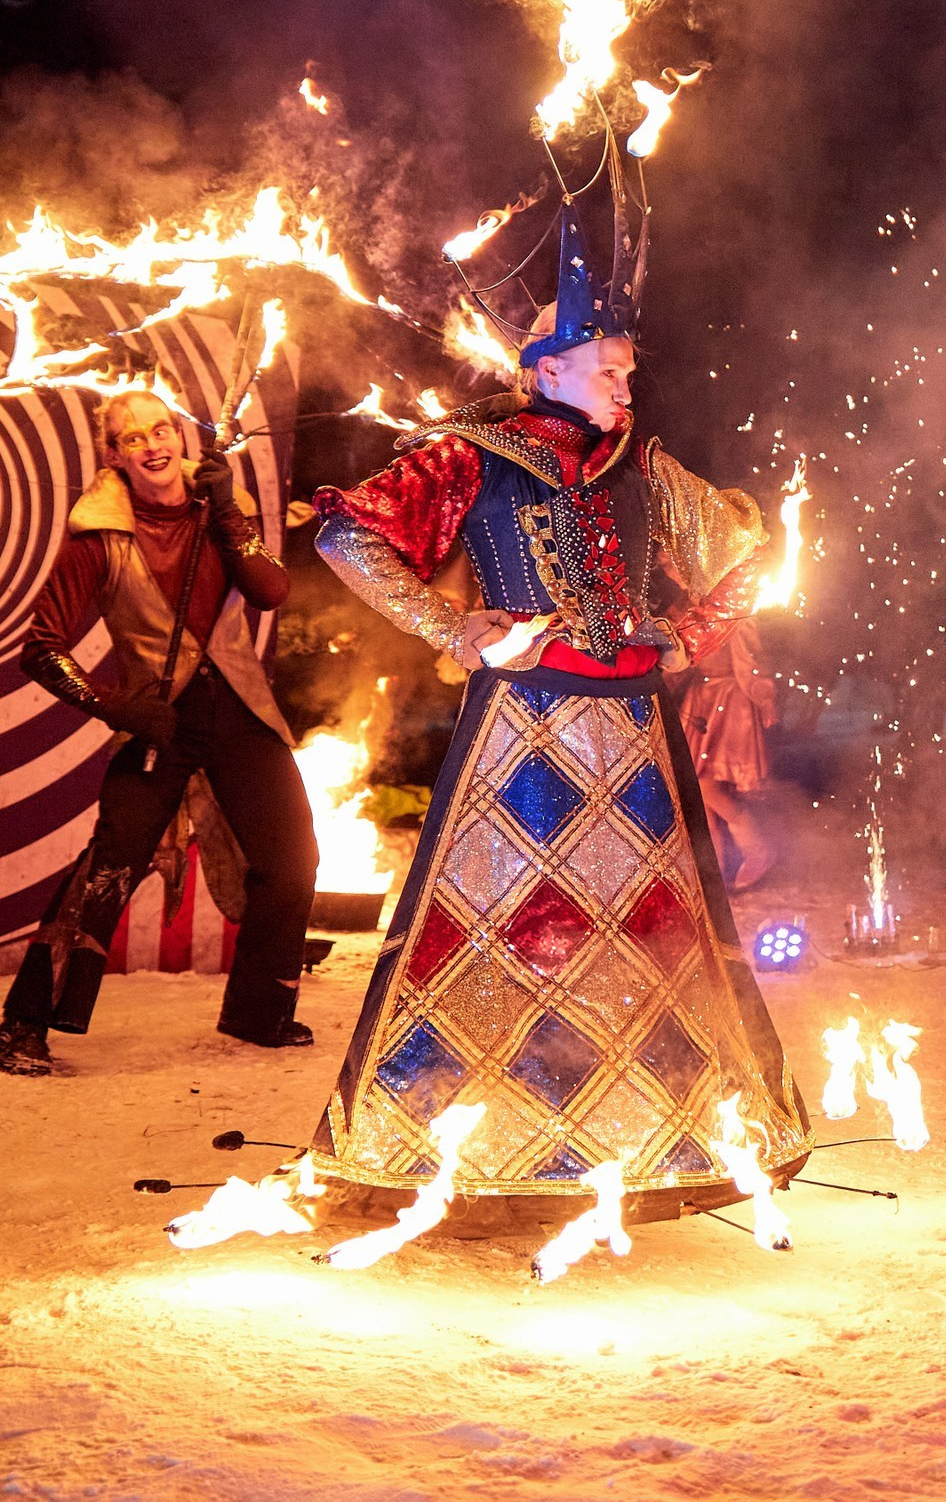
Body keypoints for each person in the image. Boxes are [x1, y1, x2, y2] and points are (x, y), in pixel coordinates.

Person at [306, 202, 809, 1225]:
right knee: (510, 932)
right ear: (546, 370)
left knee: (639, 939)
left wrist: (683, 637)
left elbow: (750, 555)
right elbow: (348, 536)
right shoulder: (471, 455)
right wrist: (457, 630)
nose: (628, 384)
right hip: (521, 733)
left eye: (629, 368)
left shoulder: (649, 471)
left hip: (630, 732)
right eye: (609, 368)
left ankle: (639, 1140)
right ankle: (476, 1148)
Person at [0, 391, 320, 1076]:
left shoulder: (217, 512)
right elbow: (41, 648)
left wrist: (229, 510)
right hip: (158, 716)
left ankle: (258, 1010)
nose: (152, 444)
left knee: (292, 858)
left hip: (237, 705)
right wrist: (116, 707)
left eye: (161, 428)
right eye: (132, 437)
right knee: (108, 866)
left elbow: (271, 589)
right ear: (115, 455)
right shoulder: (97, 534)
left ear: (180, 436)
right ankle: (23, 1025)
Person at [675, 618, 781, 889]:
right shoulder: (684, 608)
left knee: (706, 788)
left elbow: (750, 661)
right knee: (696, 794)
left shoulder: (730, 611)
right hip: (701, 699)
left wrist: (764, 698)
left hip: (729, 701)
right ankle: (713, 875)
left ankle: (757, 850)